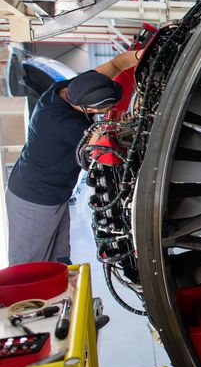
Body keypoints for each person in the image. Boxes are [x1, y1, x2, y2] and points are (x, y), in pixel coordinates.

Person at [5, 50, 139, 266]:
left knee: (59, 261)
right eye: (105, 110)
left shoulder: (66, 89)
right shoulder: (67, 126)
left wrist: (143, 54)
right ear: (91, 108)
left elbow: (117, 63)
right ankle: (32, 300)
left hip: (54, 193)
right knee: (29, 267)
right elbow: (103, 152)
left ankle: (60, 297)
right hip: (34, 199)